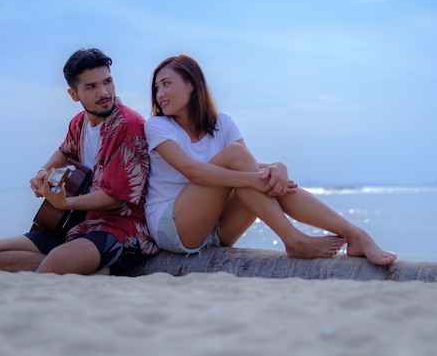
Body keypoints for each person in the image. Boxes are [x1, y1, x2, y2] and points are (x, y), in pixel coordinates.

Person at [144, 54, 397, 265]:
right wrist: (256, 177)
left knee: (260, 173)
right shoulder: (157, 126)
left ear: (191, 83)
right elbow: (193, 171)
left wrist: (277, 168)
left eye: (166, 83)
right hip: (173, 227)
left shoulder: (223, 123)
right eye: (157, 87)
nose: (160, 93)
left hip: (215, 230)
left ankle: (355, 234)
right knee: (241, 160)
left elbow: (249, 169)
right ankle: (293, 239)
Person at [0, 48, 159, 275]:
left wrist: (66, 204)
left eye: (107, 82)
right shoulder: (79, 123)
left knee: (56, 263)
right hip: (77, 223)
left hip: (120, 228)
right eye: (91, 87)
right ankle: (85, 268)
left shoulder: (128, 125)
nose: (103, 92)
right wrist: (41, 174)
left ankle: (75, 265)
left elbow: (114, 198)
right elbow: (64, 151)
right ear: (74, 94)